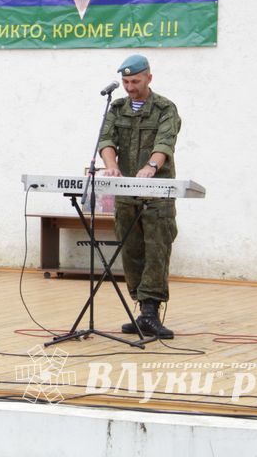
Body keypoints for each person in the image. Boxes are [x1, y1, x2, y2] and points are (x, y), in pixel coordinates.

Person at [98, 54, 181, 339]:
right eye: (125, 81)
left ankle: (150, 312)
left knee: (156, 250)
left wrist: (151, 166)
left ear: (148, 78)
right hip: (126, 194)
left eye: (135, 81)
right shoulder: (117, 107)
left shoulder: (164, 108)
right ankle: (141, 308)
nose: (130, 87)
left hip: (156, 195)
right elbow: (106, 140)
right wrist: (111, 166)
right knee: (131, 250)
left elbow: (165, 142)